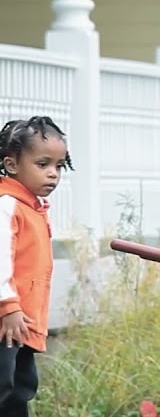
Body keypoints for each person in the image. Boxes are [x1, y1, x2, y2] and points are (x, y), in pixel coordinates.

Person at [0, 117, 70, 417]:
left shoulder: (32, 208)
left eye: (59, 166)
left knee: (20, 388)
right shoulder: (8, 205)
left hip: (22, 323)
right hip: (8, 322)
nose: (53, 174)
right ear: (12, 165)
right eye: (43, 164)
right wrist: (9, 307)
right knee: (5, 388)